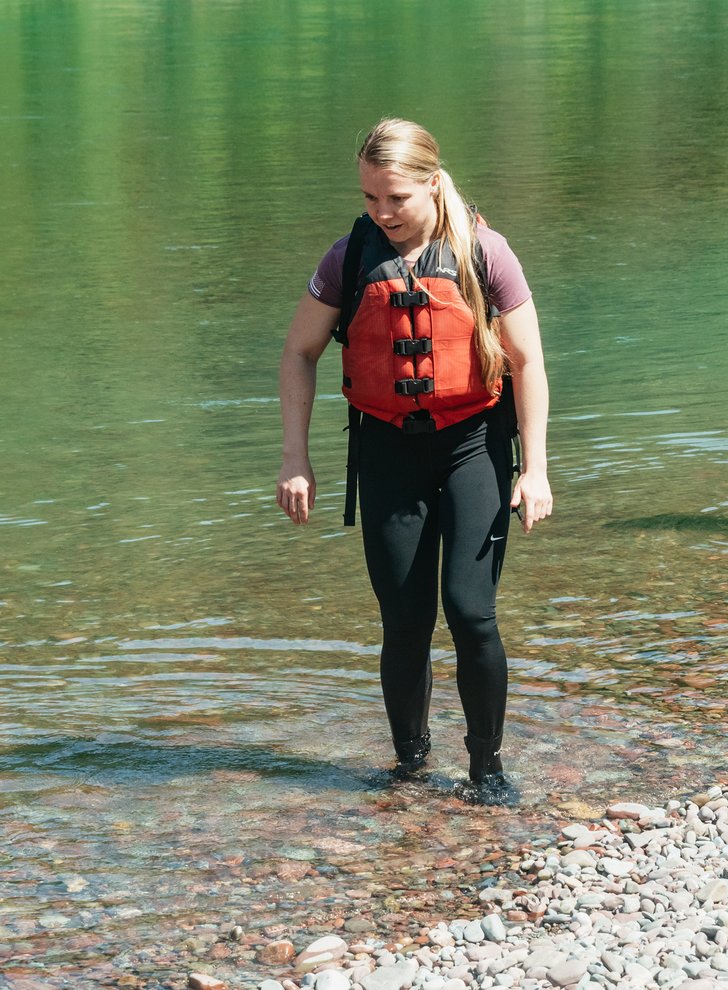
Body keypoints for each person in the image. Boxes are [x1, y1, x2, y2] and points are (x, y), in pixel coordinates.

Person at [276, 118, 552, 803]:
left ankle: (486, 769)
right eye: (371, 198)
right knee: (404, 621)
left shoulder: (485, 252)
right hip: (388, 451)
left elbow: (527, 361)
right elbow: (299, 353)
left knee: (470, 610)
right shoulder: (350, 257)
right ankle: (410, 766)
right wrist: (295, 457)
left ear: (432, 184)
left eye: (395, 198)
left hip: (472, 446)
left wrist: (536, 466)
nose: (382, 212)